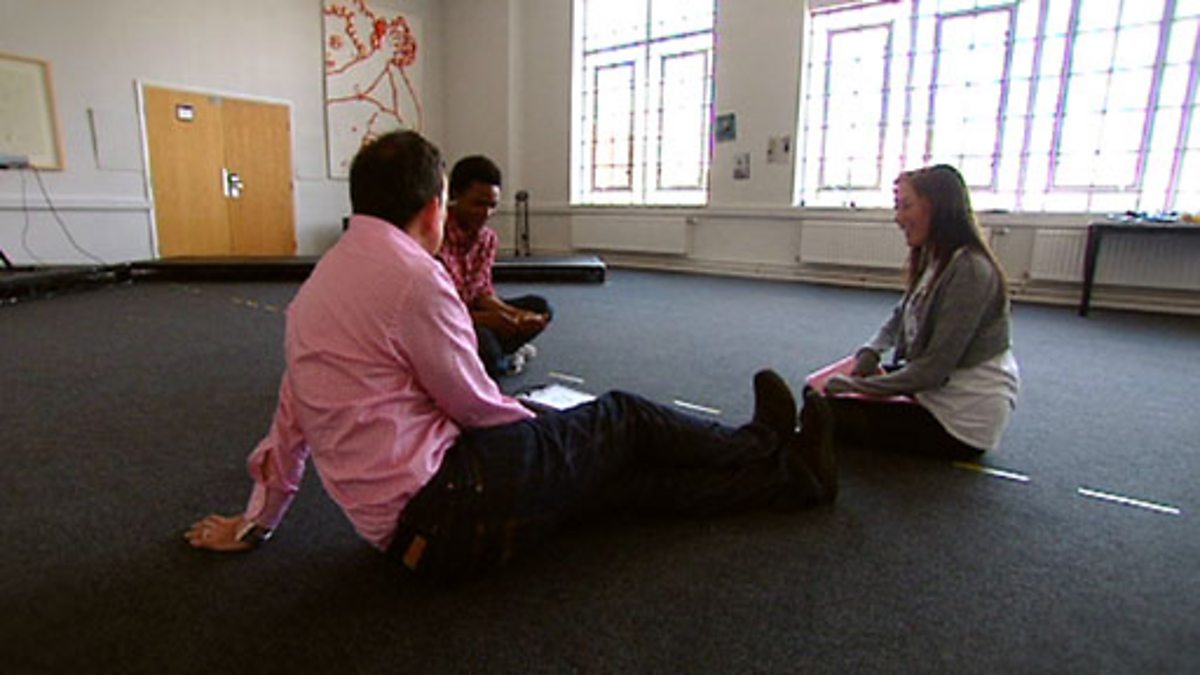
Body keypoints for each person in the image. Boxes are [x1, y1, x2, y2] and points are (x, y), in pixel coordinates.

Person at [185, 130, 837, 586]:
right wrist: (553, 429)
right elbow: (473, 404)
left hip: (405, 539)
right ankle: (759, 441)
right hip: (451, 505)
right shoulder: (412, 276)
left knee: (616, 482)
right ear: (434, 205)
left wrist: (257, 522)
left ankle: (791, 479)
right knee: (622, 419)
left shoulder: (318, 288)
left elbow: (290, 422)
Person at [817, 164, 1020, 460]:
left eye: (906, 206)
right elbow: (901, 314)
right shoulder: (935, 256)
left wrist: (858, 386)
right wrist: (872, 350)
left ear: (937, 208)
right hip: (937, 389)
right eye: (897, 206)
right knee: (822, 398)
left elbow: (933, 370)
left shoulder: (970, 271)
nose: (898, 218)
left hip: (959, 419)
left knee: (825, 411)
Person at [438, 155, 551, 377]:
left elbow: (481, 292)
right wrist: (488, 320)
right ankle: (502, 356)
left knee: (540, 308)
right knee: (491, 357)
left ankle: (499, 352)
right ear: (455, 196)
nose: (486, 213)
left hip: (473, 311)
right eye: (478, 204)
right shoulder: (436, 236)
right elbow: (435, 312)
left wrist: (515, 315)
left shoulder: (487, 238)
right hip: (446, 321)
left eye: (492, 206)